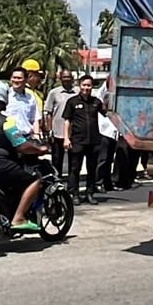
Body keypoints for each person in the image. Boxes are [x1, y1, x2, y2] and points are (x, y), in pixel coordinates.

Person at [0, 80, 48, 232]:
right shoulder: (5, 121)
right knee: (35, 181)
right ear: (2, 98)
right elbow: (22, 146)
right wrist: (40, 150)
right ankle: (18, 218)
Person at [63, 75, 107, 205]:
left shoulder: (96, 102)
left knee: (92, 169)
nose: (86, 88)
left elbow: (107, 112)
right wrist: (66, 138)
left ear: (92, 87)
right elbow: (67, 121)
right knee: (74, 169)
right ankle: (74, 193)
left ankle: (90, 193)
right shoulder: (72, 102)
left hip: (93, 141)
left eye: (89, 85)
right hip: (77, 140)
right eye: (84, 85)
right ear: (79, 86)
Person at [44, 70, 77, 174]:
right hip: (57, 132)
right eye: (64, 77)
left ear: (72, 79)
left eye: (68, 77)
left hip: (74, 132)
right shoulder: (54, 93)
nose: (66, 79)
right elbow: (48, 112)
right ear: (60, 79)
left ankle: (71, 183)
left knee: (74, 160)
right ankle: (57, 180)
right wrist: (49, 130)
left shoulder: (78, 91)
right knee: (57, 159)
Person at [7, 66, 40, 139]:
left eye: (19, 78)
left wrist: (36, 134)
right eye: (14, 77)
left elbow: (35, 118)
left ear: (25, 80)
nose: (16, 80)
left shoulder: (30, 98)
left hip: (26, 137)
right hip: (8, 137)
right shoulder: (5, 95)